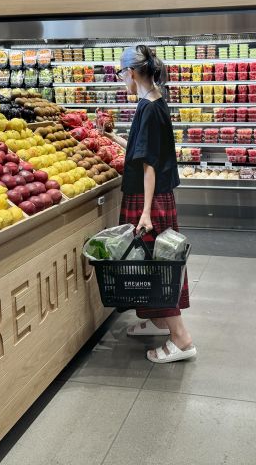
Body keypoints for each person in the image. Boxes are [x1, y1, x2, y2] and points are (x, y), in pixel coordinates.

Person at [100, 44, 196, 364]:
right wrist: (110, 138)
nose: (121, 80)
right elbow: (140, 152)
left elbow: (149, 165)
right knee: (151, 262)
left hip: (149, 198)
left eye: (121, 74)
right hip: (151, 196)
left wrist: (145, 213)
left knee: (157, 266)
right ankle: (154, 319)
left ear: (130, 72)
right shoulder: (153, 102)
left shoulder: (149, 108)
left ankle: (182, 339)